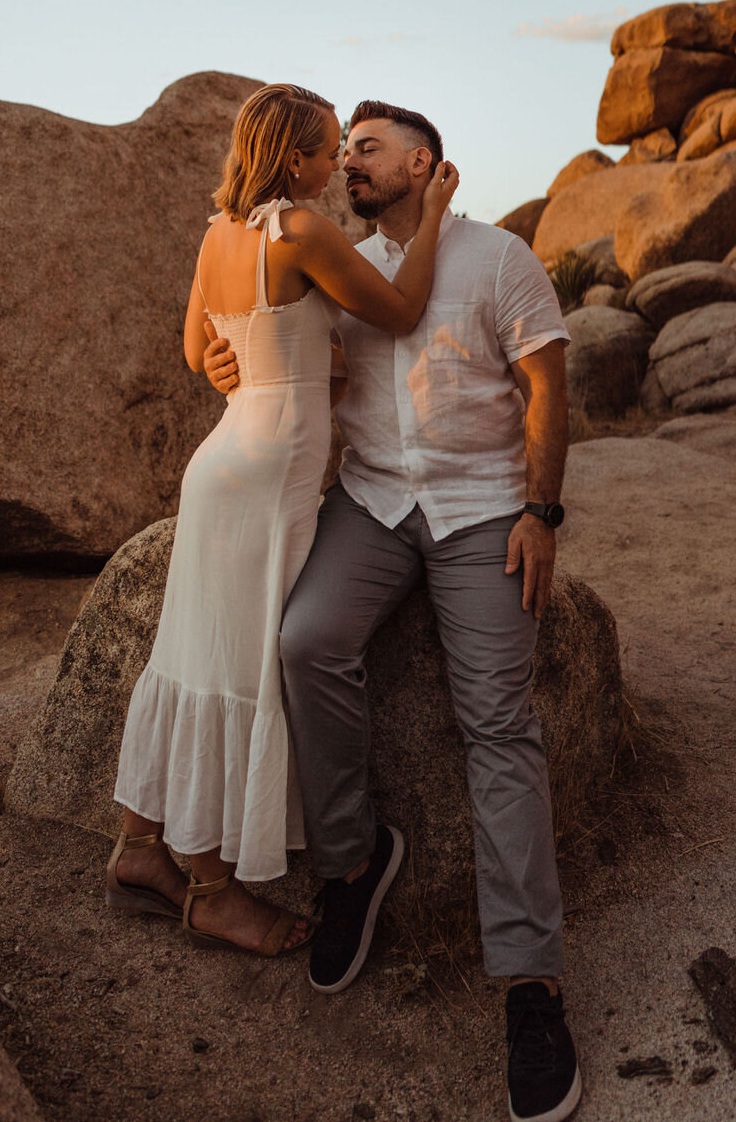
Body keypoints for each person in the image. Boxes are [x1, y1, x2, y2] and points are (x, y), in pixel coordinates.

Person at [204, 100, 581, 1122]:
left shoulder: (498, 258)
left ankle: (529, 985)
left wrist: (541, 511)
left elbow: (547, 389)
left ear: (423, 162)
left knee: (496, 721)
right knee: (304, 638)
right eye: (346, 149)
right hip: (369, 501)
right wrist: (221, 358)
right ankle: (353, 859)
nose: (350, 164)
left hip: (479, 510)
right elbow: (257, 332)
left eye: (366, 148)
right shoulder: (343, 256)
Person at [108, 83, 458, 959]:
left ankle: (139, 849)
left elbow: (201, 353)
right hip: (267, 479)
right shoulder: (298, 230)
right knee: (236, 674)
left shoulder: (219, 233)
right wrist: (441, 211)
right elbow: (403, 309)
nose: (339, 162)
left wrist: (277, 365)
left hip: (223, 460)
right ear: (295, 158)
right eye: (331, 147)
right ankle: (216, 895)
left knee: (187, 659)